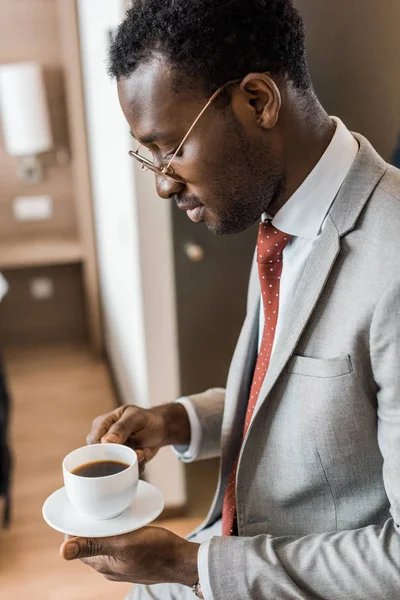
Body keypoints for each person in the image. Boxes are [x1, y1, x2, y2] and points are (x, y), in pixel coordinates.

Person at [61, 0, 400, 598]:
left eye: (170, 149)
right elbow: (313, 398)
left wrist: (190, 567)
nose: (163, 181)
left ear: (258, 102)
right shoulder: (280, 218)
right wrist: (175, 421)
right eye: (149, 157)